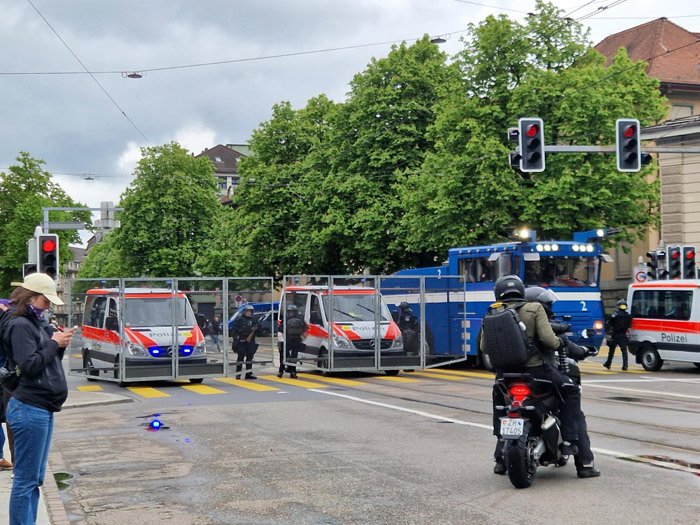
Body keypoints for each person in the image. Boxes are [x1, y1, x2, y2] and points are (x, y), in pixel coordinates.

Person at [479, 275, 582, 476]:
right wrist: (562, 344)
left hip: (505, 375)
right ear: (520, 291)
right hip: (536, 372)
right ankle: (569, 441)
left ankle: (500, 453)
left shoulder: (491, 311)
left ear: (498, 292)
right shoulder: (534, 309)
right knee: (571, 390)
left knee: (499, 401)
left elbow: (484, 347)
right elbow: (549, 340)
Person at [3, 273, 75, 525]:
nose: (49, 306)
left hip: (39, 407)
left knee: (33, 479)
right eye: (46, 301)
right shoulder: (21, 325)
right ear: (31, 297)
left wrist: (59, 343)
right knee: (26, 481)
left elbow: (44, 358)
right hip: (30, 407)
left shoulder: (33, 322)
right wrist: (53, 343)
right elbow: (30, 364)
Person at [524, 286, 601, 479]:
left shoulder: (515, 321)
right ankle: (583, 461)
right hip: (542, 375)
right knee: (575, 409)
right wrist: (584, 350)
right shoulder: (543, 322)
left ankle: (500, 460)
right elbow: (559, 343)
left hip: (513, 376)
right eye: (549, 304)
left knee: (510, 409)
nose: (551, 306)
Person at [277, 304, 307, 379]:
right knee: (284, 356)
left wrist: (302, 338)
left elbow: (305, 329)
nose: (290, 313)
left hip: (295, 341)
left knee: (293, 357)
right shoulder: (286, 319)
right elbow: (280, 329)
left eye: (292, 312)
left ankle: (293, 372)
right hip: (288, 340)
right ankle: (281, 371)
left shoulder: (299, 319)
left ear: (295, 312)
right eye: (289, 312)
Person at [603, 299, 632, 371]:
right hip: (623, 334)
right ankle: (625, 365)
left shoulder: (615, 314)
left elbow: (609, 322)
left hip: (615, 334)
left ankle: (608, 364)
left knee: (611, 351)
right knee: (624, 350)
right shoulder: (628, 316)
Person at [233, 305, 258, 379]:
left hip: (251, 341)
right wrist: (235, 340)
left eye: (250, 311)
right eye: (247, 311)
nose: (248, 313)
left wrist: (255, 330)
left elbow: (259, 330)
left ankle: (248, 373)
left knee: (250, 357)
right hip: (242, 340)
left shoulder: (254, 320)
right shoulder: (240, 319)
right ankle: (238, 373)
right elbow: (235, 330)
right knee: (240, 357)